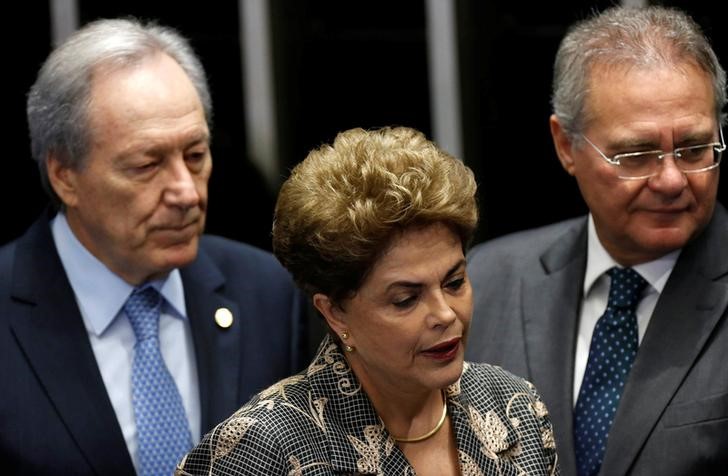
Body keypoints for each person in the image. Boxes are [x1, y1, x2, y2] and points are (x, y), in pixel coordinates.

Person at [0, 18, 308, 476]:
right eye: (147, 165)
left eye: (195, 156)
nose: (186, 192)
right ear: (65, 174)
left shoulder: (271, 294)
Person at [175, 126, 559, 476]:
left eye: (454, 282)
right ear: (335, 312)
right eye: (406, 299)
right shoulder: (262, 449)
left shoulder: (515, 407)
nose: (445, 314)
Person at [466, 5, 727, 476]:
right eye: (636, 153)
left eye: (693, 148)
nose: (671, 179)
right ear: (567, 145)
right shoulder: (485, 282)